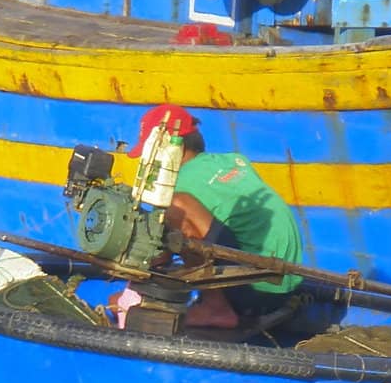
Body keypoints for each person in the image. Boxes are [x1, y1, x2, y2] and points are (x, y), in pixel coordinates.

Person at [126, 104, 305, 328]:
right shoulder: (233, 161)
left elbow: (157, 256)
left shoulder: (174, 188)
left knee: (177, 207)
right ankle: (217, 301)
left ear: (166, 149)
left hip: (257, 294)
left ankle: (216, 308)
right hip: (289, 285)